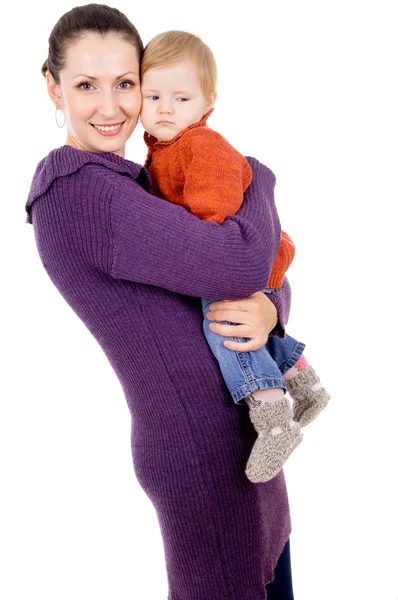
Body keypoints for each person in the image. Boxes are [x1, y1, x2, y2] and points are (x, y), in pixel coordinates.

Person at [26, 4, 295, 598]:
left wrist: (269, 308)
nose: (110, 106)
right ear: (52, 87)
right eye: (85, 85)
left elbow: (255, 274)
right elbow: (244, 259)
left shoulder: (144, 184)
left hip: (244, 446)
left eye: (126, 84)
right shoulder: (80, 192)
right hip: (202, 457)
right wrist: (257, 176)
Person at [140, 31, 330, 483]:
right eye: (154, 95)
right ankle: (305, 385)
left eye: (181, 98)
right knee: (249, 322)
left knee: (225, 324)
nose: (165, 107)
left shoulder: (199, 146)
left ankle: (274, 421)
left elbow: (217, 215)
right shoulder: (162, 149)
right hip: (250, 260)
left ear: (207, 105)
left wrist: (183, 244)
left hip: (234, 260)